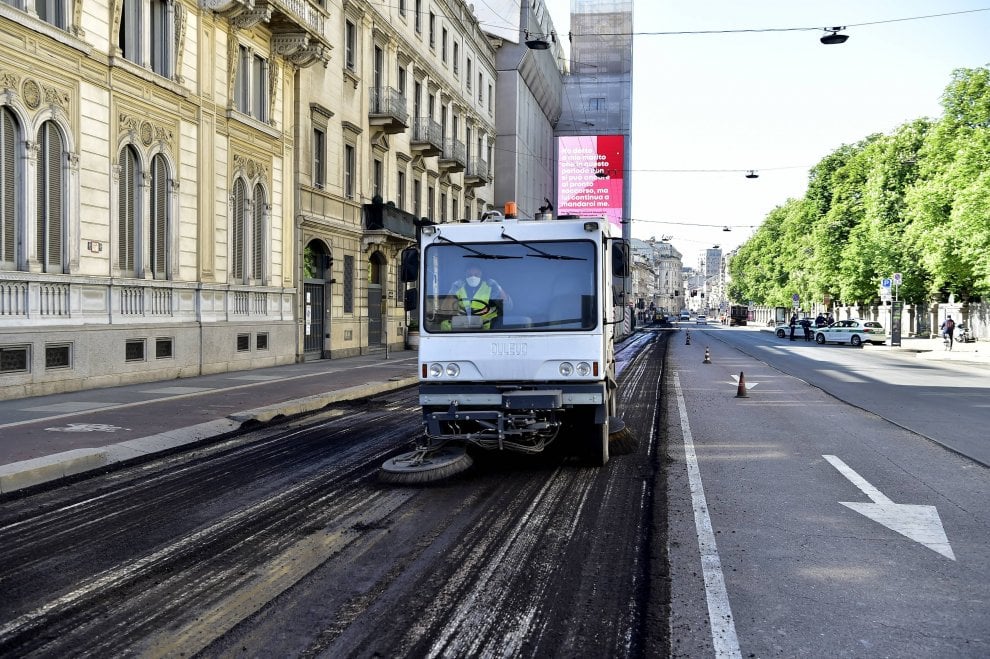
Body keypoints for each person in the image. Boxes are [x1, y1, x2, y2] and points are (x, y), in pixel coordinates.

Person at [443, 265, 512, 330]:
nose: (473, 277)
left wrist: (498, 288)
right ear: (465, 275)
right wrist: (453, 289)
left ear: (481, 275)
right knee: (445, 324)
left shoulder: (491, 286)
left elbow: (508, 307)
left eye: (476, 275)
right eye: (470, 275)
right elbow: (445, 309)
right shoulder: (458, 286)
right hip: (462, 326)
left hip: (487, 327)